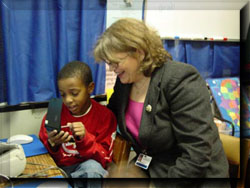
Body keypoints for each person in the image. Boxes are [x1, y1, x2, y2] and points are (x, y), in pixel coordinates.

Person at [93, 18, 230, 187]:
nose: (112, 69)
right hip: (154, 168)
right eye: (109, 63)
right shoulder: (124, 83)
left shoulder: (180, 79)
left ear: (139, 52)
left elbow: (197, 155)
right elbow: (108, 118)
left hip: (194, 178)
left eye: (115, 62)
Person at [39, 61, 117, 188]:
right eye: (63, 94)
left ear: (90, 88)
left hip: (88, 172)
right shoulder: (55, 112)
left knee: (92, 168)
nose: (68, 100)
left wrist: (85, 139)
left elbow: (105, 158)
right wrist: (53, 145)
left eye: (74, 93)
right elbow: (44, 158)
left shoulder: (104, 116)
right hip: (61, 170)